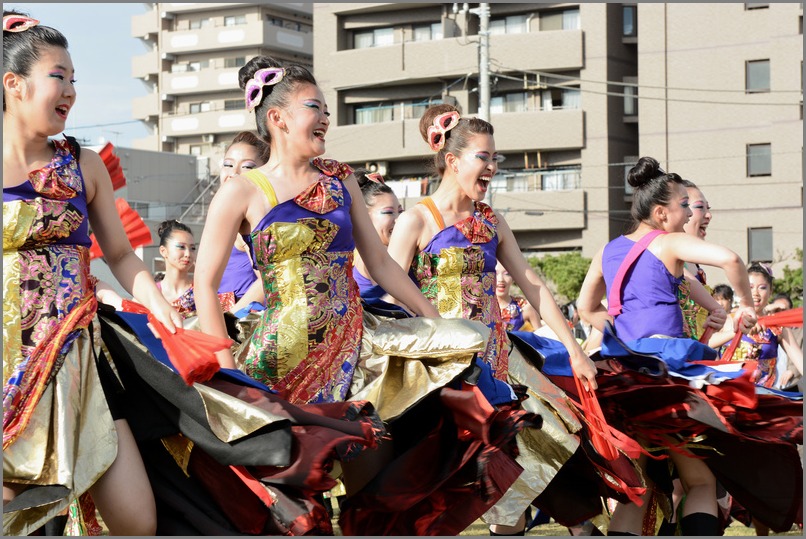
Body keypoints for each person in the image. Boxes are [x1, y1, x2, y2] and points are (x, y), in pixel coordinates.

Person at [193, 55, 535, 537]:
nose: (327, 119)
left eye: (327, 109)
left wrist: (433, 322)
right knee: (288, 505)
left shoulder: (339, 177)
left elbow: (379, 264)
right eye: (316, 107)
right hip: (280, 358)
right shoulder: (243, 191)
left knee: (375, 501)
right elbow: (204, 285)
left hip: (358, 351)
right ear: (278, 117)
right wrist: (229, 377)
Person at [386, 103, 639, 536]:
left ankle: (581, 525)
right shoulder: (416, 220)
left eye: (494, 158)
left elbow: (533, 285)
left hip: (498, 362)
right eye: (483, 157)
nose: (493, 168)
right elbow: (390, 286)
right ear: (452, 160)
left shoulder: (492, 220)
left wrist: (576, 351)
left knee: (530, 460)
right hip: (443, 370)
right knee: (468, 477)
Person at [2, 11, 182, 535]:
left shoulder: (84, 164)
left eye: (75, 79)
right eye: (59, 76)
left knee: (136, 521)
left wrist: (160, 305)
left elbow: (123, 257)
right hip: (8, 363)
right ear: (14, 84)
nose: (71, 90)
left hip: (82, 358)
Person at [576, 156, 803, 535]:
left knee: (641, 488)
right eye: (685, 205)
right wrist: (745, 305)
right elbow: (730, 259)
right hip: (666, 376)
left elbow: (586, 308)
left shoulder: (608, 251)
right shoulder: (668, 242)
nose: (690, 212)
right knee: (700, 483)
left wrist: (626, 334)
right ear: (662, 213)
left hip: (624, 377)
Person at [216, 131, 269, 314]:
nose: (233, 173)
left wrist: (230, 319)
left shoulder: (250, 220)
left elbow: (267, 281)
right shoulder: (227, 216)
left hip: (246, 321)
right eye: (227, 164)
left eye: (247, 167)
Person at [726, 263, 803, 389]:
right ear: (742, 289)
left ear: (770, 291)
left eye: (762, 287)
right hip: (730, 394)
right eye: (750, 287)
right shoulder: (730, 320)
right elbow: (705, 345)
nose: (755, 293)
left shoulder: (777, 326)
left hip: (763, 398)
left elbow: (799, 360)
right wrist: (737, 331)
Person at [350, 167, 403, 301]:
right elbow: (394, 303)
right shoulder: (370, 258)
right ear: (363, 217)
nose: (399, 219)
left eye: (400, 211)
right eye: (389, 212)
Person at [155, 219, 198, 317]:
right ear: (163, 251)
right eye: (181, 247)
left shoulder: (202, 291)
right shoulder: (149, 293)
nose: (188, 254)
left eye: (192, 249)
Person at [495, 261, 542, 332]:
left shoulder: (525, 307)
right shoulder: (479, 308)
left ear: (513, 278)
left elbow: (540, 339)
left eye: (507, 274)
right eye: (495, 273)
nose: (501, 279)